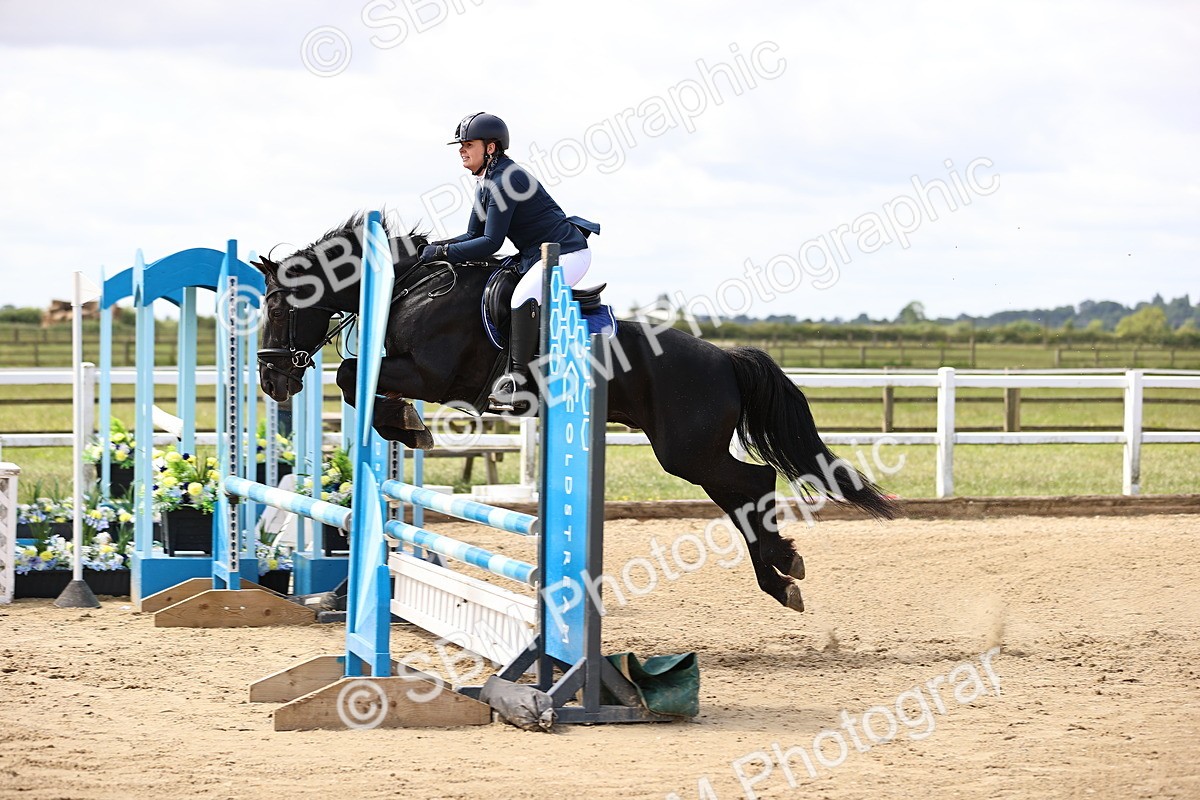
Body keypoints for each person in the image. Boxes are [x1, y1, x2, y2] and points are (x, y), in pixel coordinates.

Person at [419, 112, 598, 410]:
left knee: (520, 298)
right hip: (537, 254)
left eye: (468, 144)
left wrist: (443, 253)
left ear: (490, 148)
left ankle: (517, 383)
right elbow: (471, 235)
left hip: (568, 254)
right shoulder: (486, 183)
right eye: (460, 145)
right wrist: (434, 247)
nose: (462, 150)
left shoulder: (507, 179)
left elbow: (491, 243)